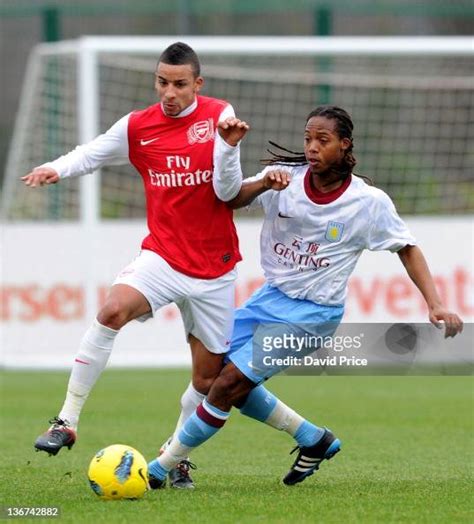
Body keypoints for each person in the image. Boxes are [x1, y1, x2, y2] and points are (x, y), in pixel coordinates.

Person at [147, 105, 464, 488]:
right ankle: (313, 439)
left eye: (322, 140)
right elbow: (229, 199)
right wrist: (264, 184)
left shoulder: (369, 203)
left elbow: (407, 247)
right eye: (308, 139)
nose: (312, 147)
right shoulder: (284, 180)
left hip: (313, 314)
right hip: (268, 298)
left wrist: (435, 303)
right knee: (212, 375)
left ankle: (160, 468)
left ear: (345, 145)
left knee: (228, 384)